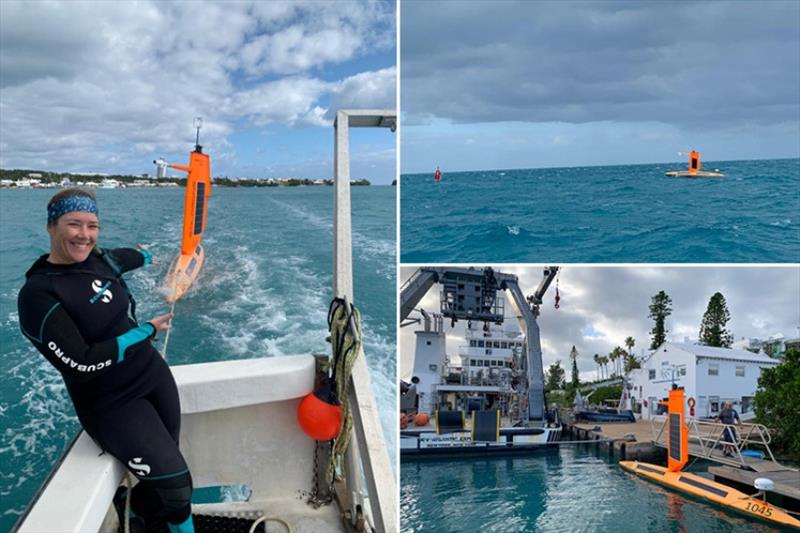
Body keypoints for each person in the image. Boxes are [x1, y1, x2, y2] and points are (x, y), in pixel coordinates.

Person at [17, 188, 194, 533]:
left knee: (165, 467)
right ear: (51, 227)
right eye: (74, 224)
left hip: (152, 377)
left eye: (92, 225)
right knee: (177, 484)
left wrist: (144, 256)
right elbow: (80, 361)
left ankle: (144, 516)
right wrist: (145, 332)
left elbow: (124, 258)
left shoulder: (101, 260)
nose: (84, 234)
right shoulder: (39, 295)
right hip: (110, 402)